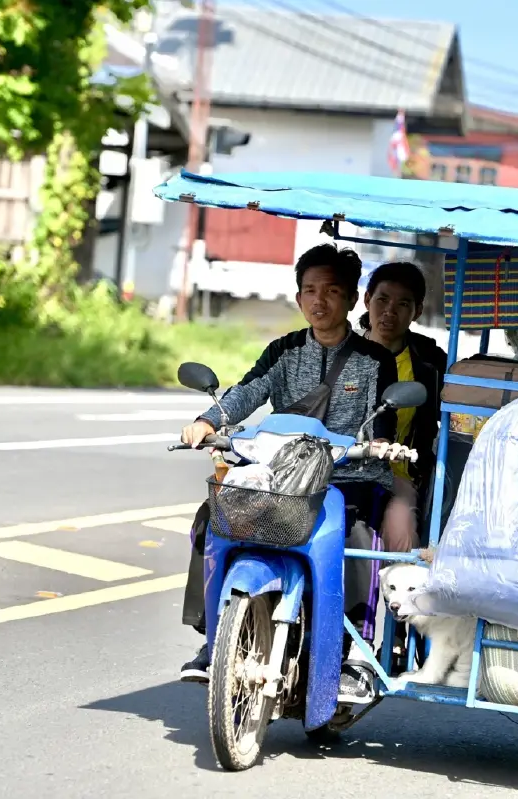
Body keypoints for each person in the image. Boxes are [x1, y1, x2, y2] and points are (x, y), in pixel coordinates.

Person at [177, 243, 419, 703]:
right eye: (309, 290)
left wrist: (378, 444)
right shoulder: (284, 350)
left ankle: (353, 658)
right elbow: (249, 390)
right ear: (298, 297)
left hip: (348, 477)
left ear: (351, 300)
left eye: (331, 291)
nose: (318, 300)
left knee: (361, 540)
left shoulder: (374, 360)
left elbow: (382, 419)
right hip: (281, 475)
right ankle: (215, 637)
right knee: (213, 517)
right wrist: (209, 421)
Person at [356, 261, 448, 537]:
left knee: (401, 522)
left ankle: (395, 578)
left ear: (417, 311)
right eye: (382, 300)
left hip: (398, 473)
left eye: (403, 304)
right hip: (340, 466)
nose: (389, 312)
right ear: (367, 299)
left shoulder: (430, 364)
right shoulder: (345, 352)